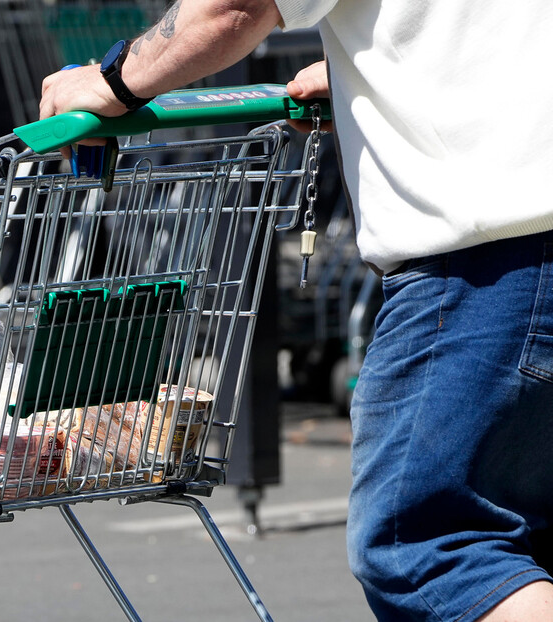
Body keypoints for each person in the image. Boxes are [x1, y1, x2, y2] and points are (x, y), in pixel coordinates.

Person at [40, 1, 553, 621]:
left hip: (493, 256)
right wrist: (371, 68)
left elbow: (235, 7)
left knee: (427, 545)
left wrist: (111, 79)